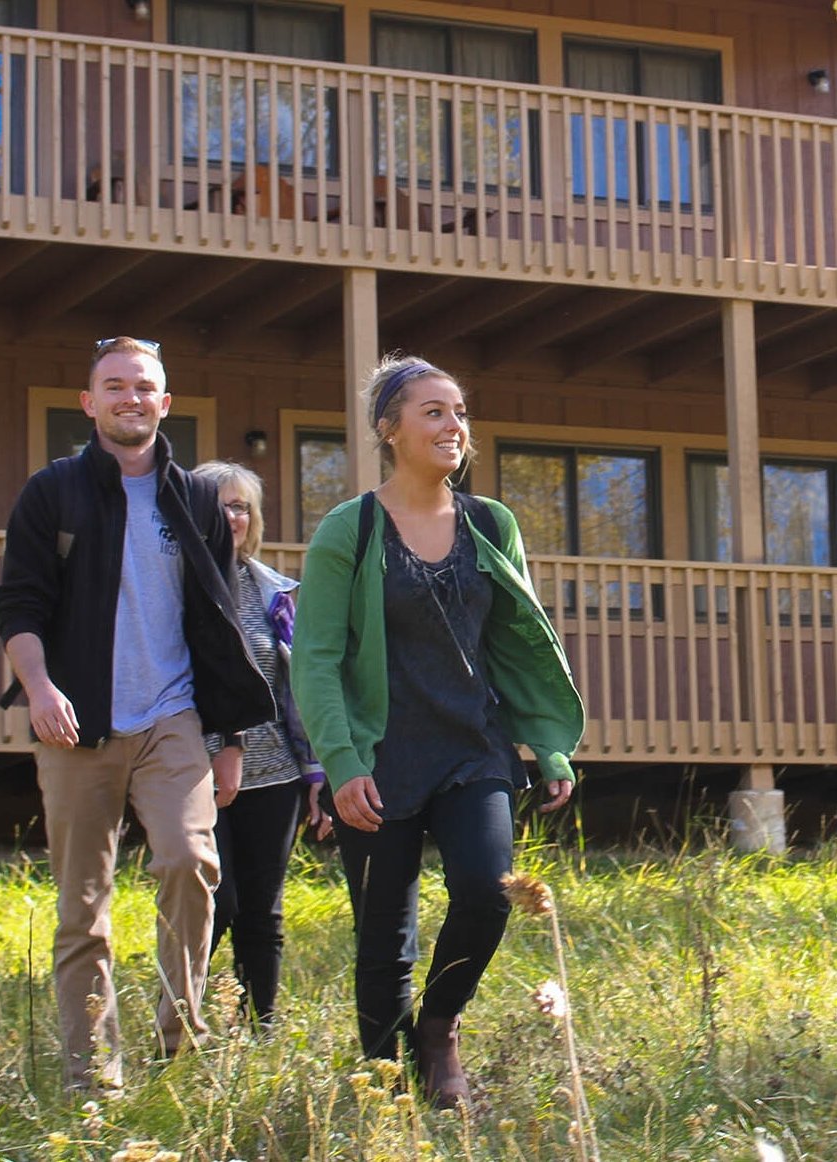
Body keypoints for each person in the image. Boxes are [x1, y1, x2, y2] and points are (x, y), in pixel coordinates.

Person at [290, 353, 584, 1109]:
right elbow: (315, 660)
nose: (452, 425)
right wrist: (342, 762)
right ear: (389, 430)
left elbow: (516, 643)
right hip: (380, 755)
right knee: (384, 931)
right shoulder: (348, 531)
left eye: (458, 412)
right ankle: (387, 1089)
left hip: (472, 746)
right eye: (432, 412)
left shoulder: (491, 524)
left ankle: (440, 1030)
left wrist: (545, 741)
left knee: (487, 890)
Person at [0, 337, 274, 1093]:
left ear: (164, 402)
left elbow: (216, 627)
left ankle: (180, 1043)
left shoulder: (196, 506)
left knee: (189, 863)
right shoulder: (52, 493)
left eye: (143, 386)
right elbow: (17, 602)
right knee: (84, 905)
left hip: (172, 718)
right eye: (114, 386)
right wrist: (41, 689)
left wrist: (230, 738)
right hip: (77, 724)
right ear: (89, 403)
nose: (130, 398)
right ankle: (94, 1078)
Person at [192, 460, 332, 1031]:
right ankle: (182, 1023)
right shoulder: (175, 586)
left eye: (241, 506)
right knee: (211, 904)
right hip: (191, 772)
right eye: (219, 505)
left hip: (274, 776)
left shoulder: (277, 593)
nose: (232, 516)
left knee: (261, 912)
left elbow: (298, 690)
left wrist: (318, 774)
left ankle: (260, 1030)